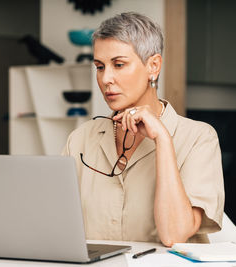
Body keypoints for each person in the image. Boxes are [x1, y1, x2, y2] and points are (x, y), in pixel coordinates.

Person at [62, 12, 224, 247]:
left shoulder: (199, 138)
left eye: (119, 65)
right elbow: (56, 227)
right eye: (99, 67)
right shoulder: (79, 139)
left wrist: (163, 141)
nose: (106, 78)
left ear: (153, 66)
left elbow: (175, 235)